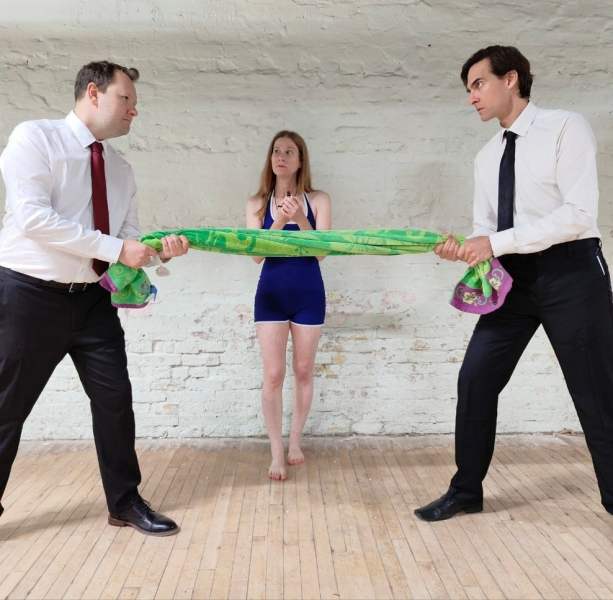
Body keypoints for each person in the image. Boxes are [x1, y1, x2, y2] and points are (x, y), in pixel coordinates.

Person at [415, 45, 613, 521]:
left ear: (511, 79)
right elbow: (486, 232)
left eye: (478, 84)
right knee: (475, 379)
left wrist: (495, 242)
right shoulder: (486, 158)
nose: (472, 97)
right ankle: (466, 491)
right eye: (468, 89)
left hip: (572, 273)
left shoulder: (565, 127)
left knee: (596, 393)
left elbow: (578, 214)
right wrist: (464, 248)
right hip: (513, 281)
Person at [0, 61, 189, 535]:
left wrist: (157, 252)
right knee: (6, 407)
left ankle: (124, 503)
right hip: (27, 296)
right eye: (126, 99)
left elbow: (128, 242)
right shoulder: (35, 138)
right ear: (93, 92)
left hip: (92, 302)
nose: (134, 110)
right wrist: (117, 248)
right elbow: (33, 218)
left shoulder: (121, 169)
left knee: (115, 400)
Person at [246, 131, 331, 480]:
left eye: (289, 152)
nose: (281, 156)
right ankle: (276, 452)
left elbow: (321, 251)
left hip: (309, 293)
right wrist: (281, 219)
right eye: (276, 151)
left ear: (300, 161)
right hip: (271, 294)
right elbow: (256, 255)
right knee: (273, 374)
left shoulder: (319, 199)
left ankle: (295, 441)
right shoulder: (256, 203)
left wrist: (301, 218)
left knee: (304, 370)